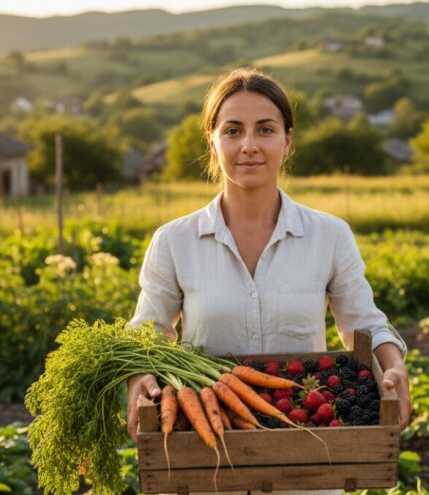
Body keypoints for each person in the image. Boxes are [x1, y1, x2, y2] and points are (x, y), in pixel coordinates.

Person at [126, 67, 410, 447]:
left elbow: (365, 324)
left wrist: (394, 365)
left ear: (287, 140)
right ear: (212, 142)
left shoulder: (329, 235)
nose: (249, 145)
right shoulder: (174, 241)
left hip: (307, 442)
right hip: (210, 443)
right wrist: (138, 375)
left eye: (265, 129)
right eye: (232, 131)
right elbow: (147, 333)